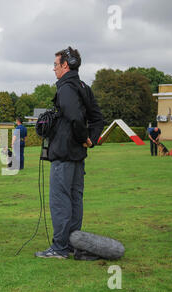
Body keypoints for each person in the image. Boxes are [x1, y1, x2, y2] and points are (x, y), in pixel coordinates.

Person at [35, 47, 104, 259]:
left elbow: (74, 117)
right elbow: (97, 118)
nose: (53, 68)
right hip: (78, 155)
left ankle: (60, 248)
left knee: (60, 200)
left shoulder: (65, 87)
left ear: (66, 65)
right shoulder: (83, 86)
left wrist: (85, 138)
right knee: (75, 199)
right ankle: (74, 244)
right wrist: (90, 140)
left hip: (64, 153)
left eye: (56, 64)